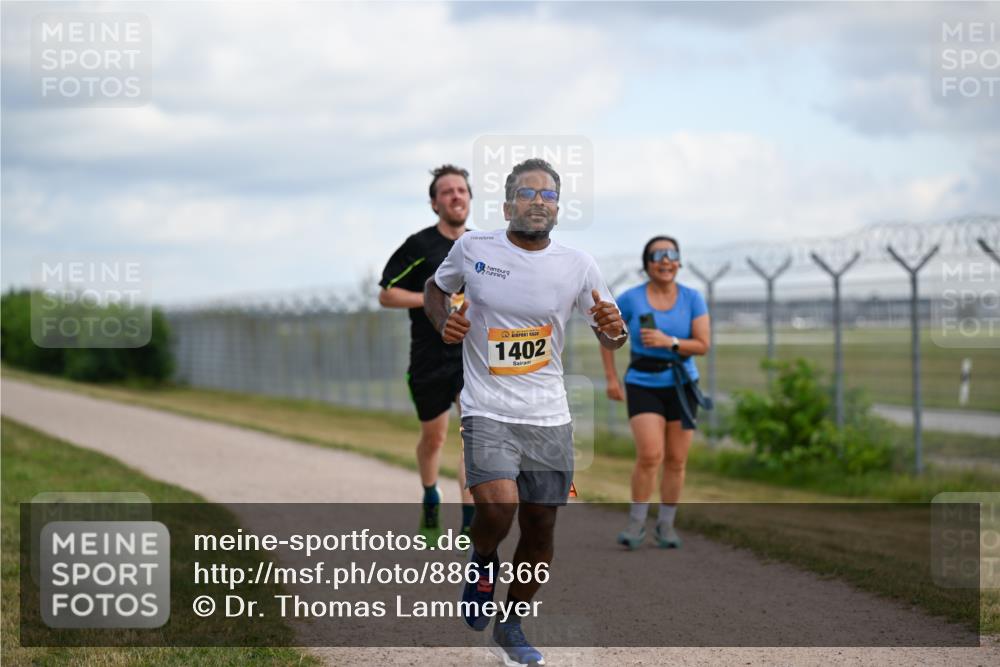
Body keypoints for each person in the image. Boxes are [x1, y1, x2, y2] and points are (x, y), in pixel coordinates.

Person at [425, 158, 626, 667]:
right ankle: (483, 559)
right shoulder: (473, 248)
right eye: (527, 192)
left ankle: (510, 623)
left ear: (558, 207)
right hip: (486, 406)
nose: (539, 200)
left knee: (541, 526)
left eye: (549, 195)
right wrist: (443, 321)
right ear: (508, 202)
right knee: (497, 507)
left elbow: (609, 332)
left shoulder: (578, 264)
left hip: (548, 413)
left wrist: (615, 329)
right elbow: (435, 289)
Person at [378, 165, 475, 542]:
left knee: (473, 436)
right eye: (447, 192)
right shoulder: (419, 246)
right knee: (434, 438)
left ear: (469, 197)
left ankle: (470, 523)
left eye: (461, 190)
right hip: (429, 358)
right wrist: (433, 299)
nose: (456, 196)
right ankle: (431, 496)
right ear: (435, 203)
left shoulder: (482, 245)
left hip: (471, 357)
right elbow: (387, 293)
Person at [600, 235, 711, 550]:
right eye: (658, 255)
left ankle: (666, 526)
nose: (666, 260)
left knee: (676, 460)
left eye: (672, 254)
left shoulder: (693, 298)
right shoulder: (631, 299)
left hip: (682, 384)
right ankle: (636, 524)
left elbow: (703, 344)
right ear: (647, 264)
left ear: (679, 262)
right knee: (651, 455)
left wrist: (670, 342)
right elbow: (608, 336)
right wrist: (611, 378)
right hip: (642, 383)